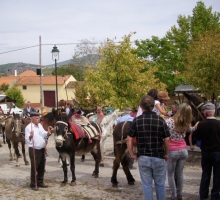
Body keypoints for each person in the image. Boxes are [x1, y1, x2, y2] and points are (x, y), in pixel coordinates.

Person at [127, 95, 170, 200]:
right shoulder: (160, 120)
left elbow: (129, 138)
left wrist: (132, 153)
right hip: (159, 156)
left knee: (147, 186)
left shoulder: (137, 120)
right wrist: (167, 153)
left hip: (144, 157)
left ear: (141, 107)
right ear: (153, 106)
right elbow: (167, 139)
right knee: (160, 184)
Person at [166, 103, 198, 200]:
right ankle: (179, 194)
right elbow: (192, 129)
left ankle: (173, 195)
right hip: (183, 150)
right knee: (179, 173)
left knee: (171, 174)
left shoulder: (169, 121)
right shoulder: (186, 123)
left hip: (172, 150)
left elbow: (164, 134)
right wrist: (196, 125)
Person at [196, 102, 220, 200]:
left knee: (205, 173)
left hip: (205, 152)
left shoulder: (201, 124)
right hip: (218, 152)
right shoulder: (219, 124)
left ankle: (203, 194)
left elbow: (198, 139)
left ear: (205, 113)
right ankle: (215, 195)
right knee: (217, 175)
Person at [25, 112, 53, 191]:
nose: (39, 119)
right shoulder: (28, 127)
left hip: (42, 149)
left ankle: (40, 182)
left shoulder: (40, 125)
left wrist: (48, 133)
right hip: (34, 149)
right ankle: (33, 184)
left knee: (42, 166)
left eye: (39, 118)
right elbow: (27, 140)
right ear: (32, 119)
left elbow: (43, 133)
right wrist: (30, 136)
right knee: (35, 167)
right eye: (37, 118)